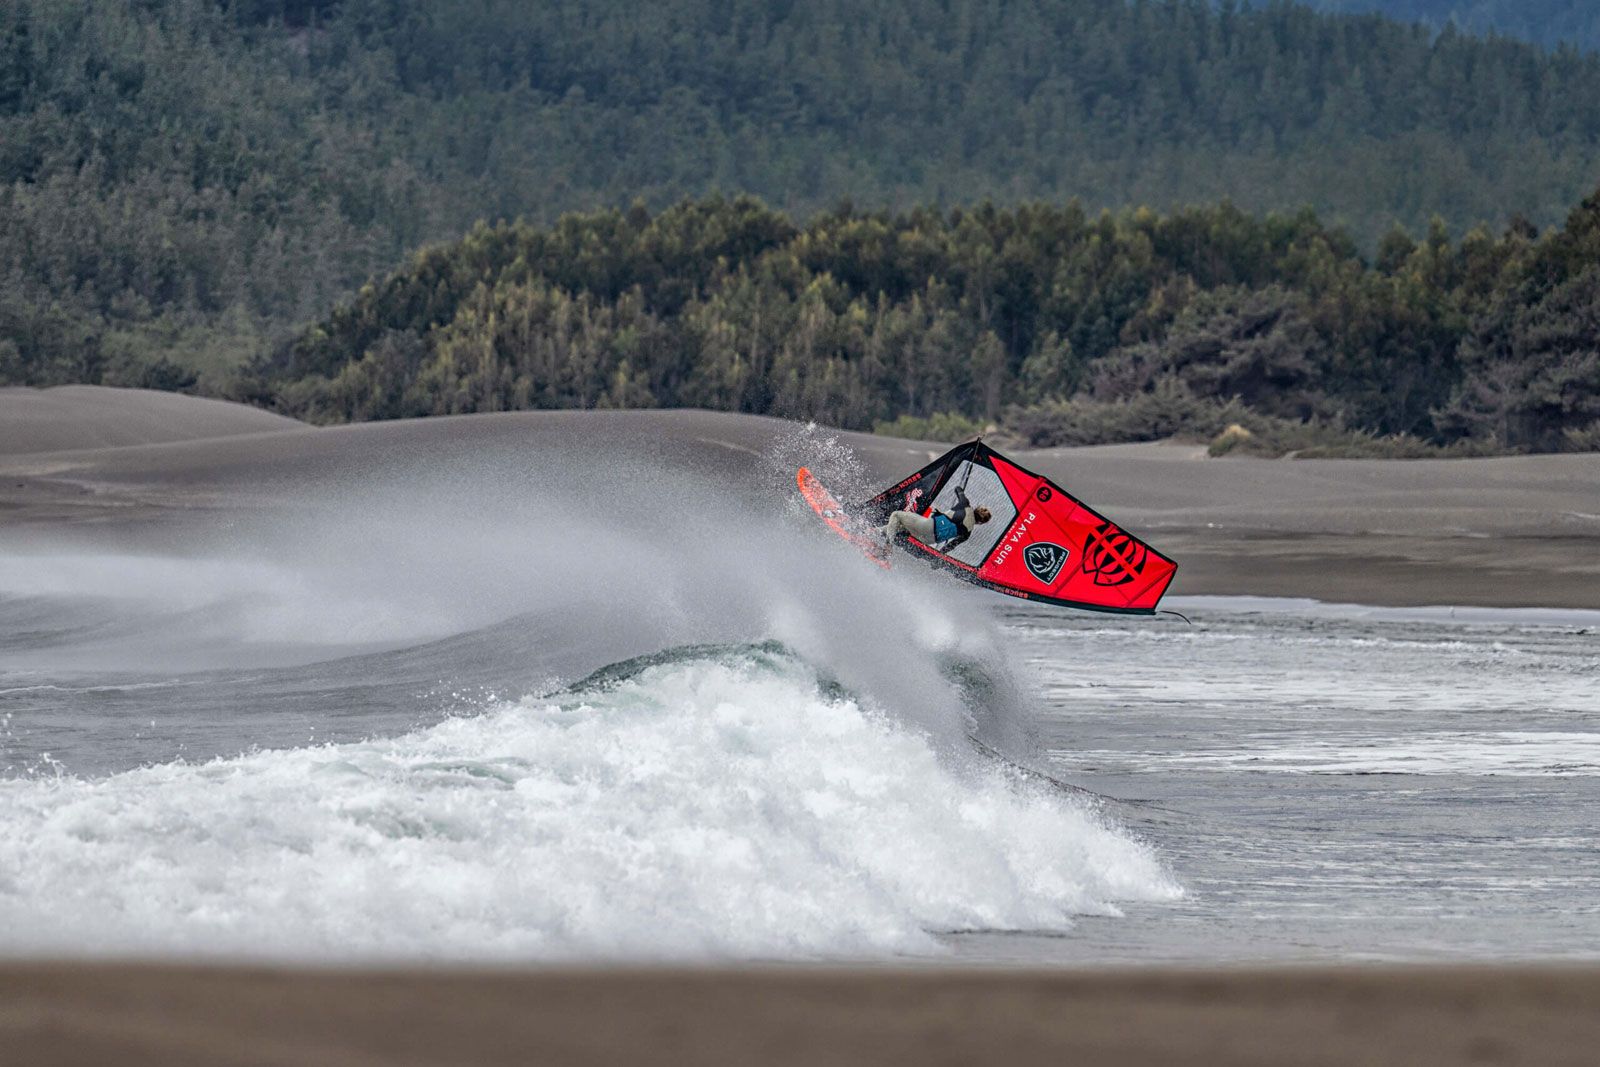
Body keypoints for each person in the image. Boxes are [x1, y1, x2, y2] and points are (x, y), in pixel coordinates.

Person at [880, 485, 991, 551]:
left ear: (977, 508)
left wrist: (962, 494)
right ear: (980, 523)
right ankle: (875, 533)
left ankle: (887, 548)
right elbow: (949, 547)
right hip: (928, 540)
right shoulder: (968, 533)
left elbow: (958, 489)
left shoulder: (965, 505)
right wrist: (936, 562)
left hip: (927, 526)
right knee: (899, 527)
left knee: (896, 515)